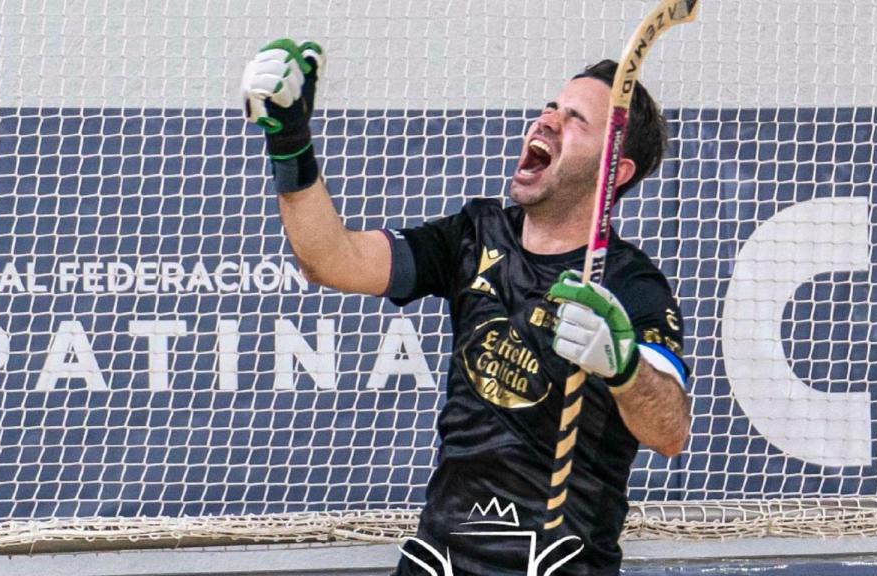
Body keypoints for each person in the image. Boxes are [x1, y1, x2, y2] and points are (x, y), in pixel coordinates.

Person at [242, 39, 691, 576]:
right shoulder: (475, 236)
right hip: (441, 560)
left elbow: (670, 430)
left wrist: (622, 367)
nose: (547, 119)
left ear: (615, 170)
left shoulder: (631, 285)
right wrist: (291, 144)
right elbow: (330, 258)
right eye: (552, 105)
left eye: (575, 119)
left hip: (556, 565)